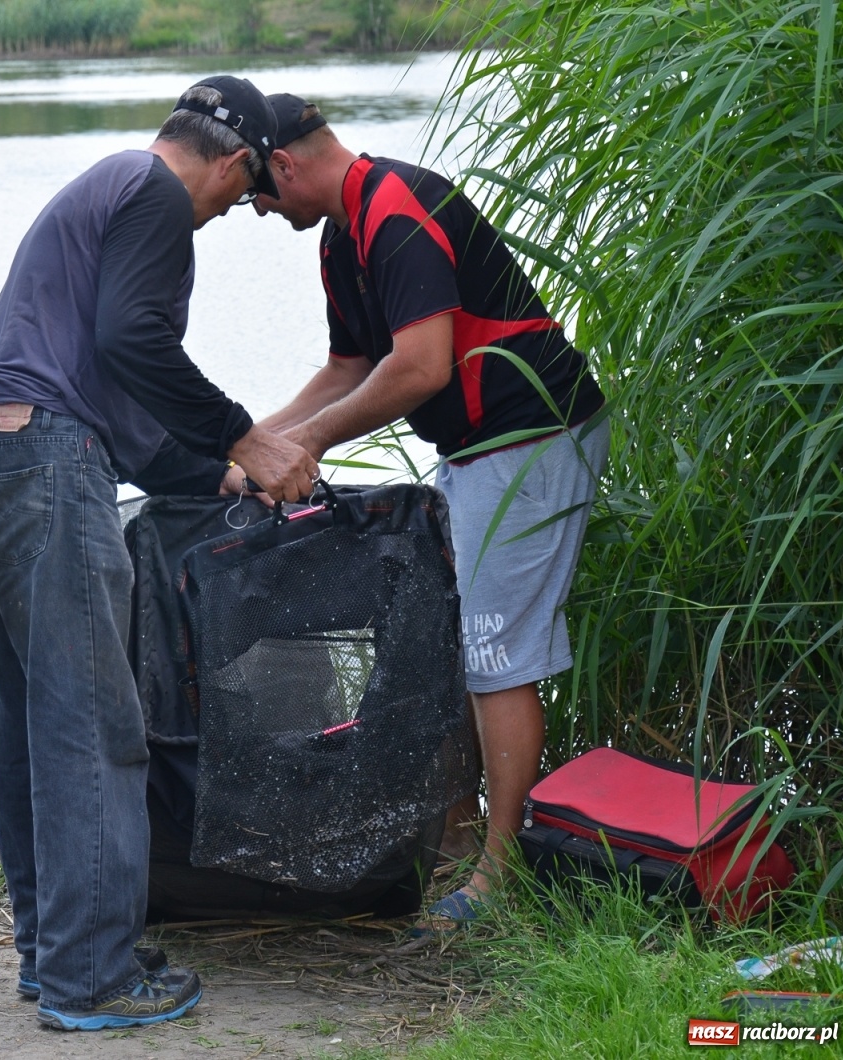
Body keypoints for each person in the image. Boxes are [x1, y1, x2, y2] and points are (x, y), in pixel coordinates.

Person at [0, 76, 319, 1031]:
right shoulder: (156, 194)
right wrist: (246, 437)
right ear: (235, 161)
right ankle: (93, 980)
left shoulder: (105, 185)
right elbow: (135, 339)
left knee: (31, 717)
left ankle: (57, 953)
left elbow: (114, 384)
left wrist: (215, 475)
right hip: (43, 462)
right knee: (94, 721)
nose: (231, 212)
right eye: (245, 191)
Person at [249, 94, 608, 924]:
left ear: (286, 165)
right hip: (474, 448)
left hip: (531, 435)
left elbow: (420, 368)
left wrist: (310, 445)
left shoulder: (397, 207)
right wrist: (255, 445)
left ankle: (501, 877)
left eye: (256, 193)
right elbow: (348, 369)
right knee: (444, 635)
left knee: (495, 653)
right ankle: (453, 838)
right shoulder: (342, 235)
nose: (259, 209)